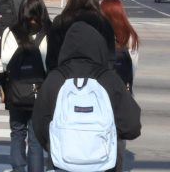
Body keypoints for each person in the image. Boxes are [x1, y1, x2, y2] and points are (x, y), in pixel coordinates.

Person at [32, 21, 141, 172]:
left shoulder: (55, 79)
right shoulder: (109, 79)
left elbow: (38, 123)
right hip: (103, 165)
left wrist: (54, 143)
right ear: (99, 47)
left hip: (61, 163)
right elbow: (132, 126)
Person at [1, 0, 51, 172]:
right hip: (40, 93)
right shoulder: (48, 33)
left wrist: (2, 87)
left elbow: (4, 63)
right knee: (36, 140)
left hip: (16, 91)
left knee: (17, 133)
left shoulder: (10, 32)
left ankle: (17, 169)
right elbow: (51, 66)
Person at [100, 0, 140, 172]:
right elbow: (133, 70)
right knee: (119, 138)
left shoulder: (97, 32)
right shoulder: (130, 36)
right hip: (122, 94)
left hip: (100, 93)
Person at [45, 0, 116, 71]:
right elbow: (110, 56)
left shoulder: (60, 21)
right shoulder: (103, 22)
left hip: (64, 75)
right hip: (96, 76)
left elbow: (52, 57)